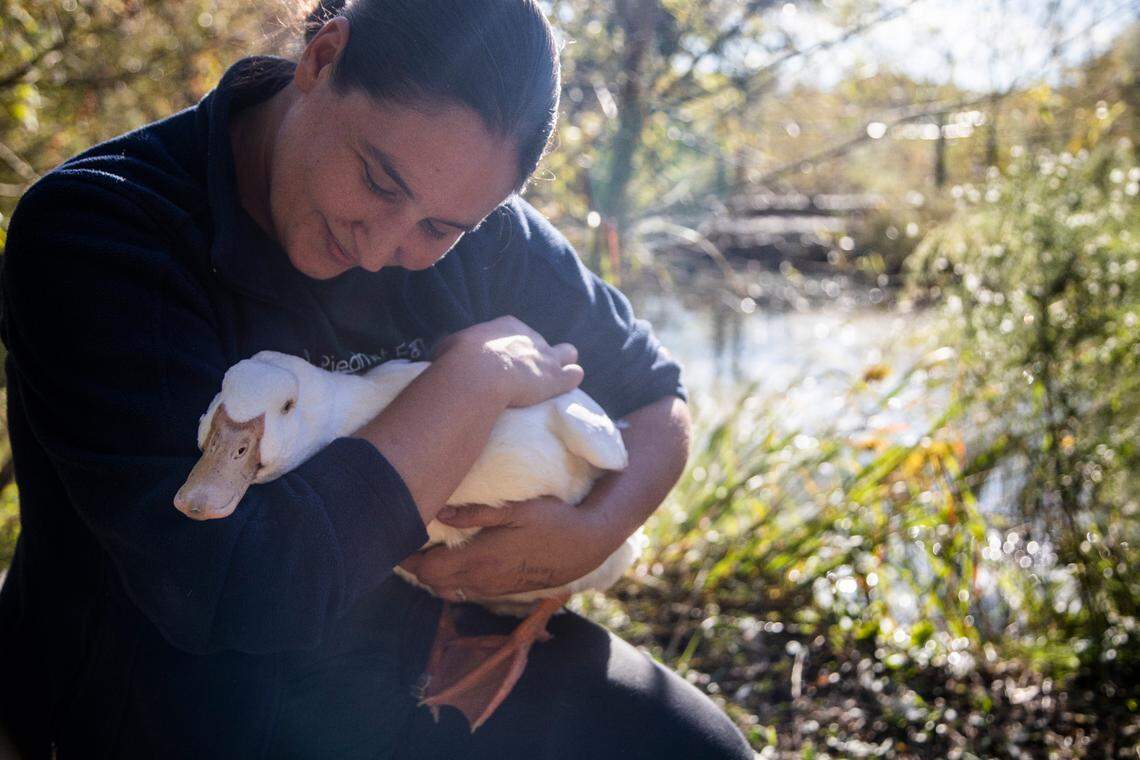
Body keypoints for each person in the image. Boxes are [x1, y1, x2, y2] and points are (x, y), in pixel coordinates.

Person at [0, 1, 753, 757]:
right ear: (322, 60)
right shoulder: (98, 231)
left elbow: (656, 397)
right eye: (379, 181)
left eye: (439, 228)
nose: (382, 246)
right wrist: (472, 381)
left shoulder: (486, 238)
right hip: (164, 690)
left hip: (408, 647)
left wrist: (594, 531)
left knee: (700, 750)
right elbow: (230, 597)